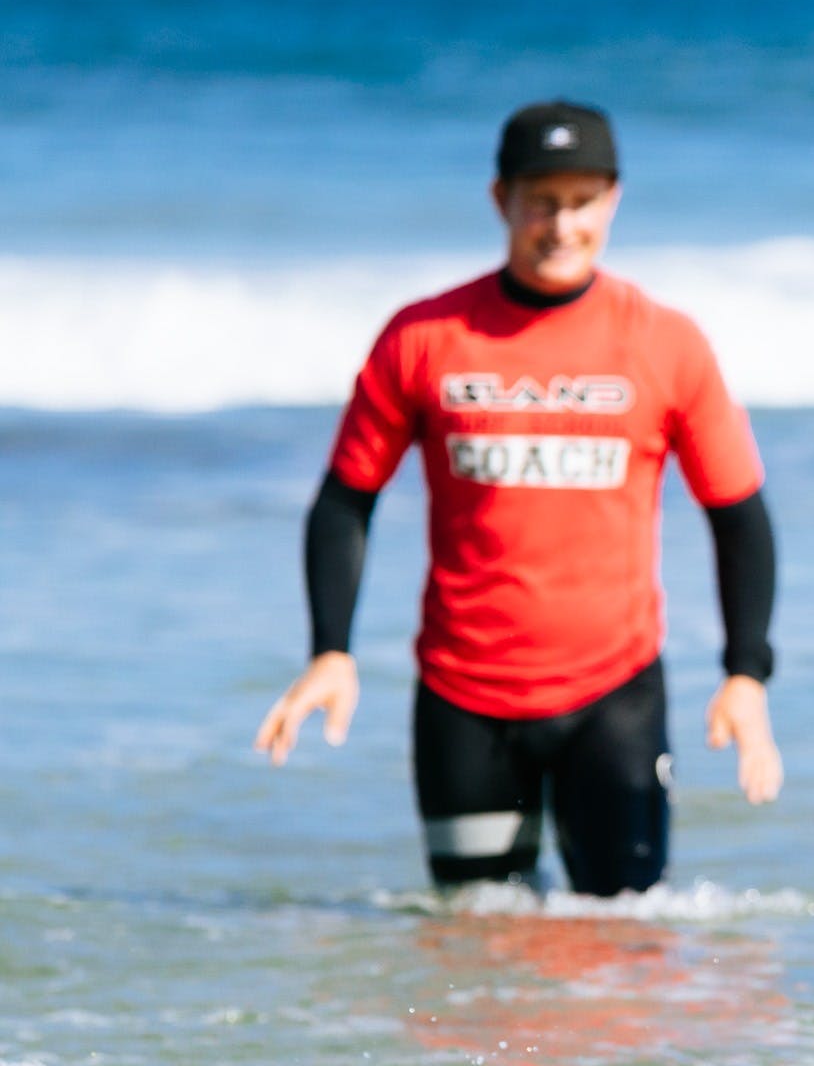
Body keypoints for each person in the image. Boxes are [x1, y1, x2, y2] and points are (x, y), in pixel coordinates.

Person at [254, 101, 782, 895]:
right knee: (473, 948)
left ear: (613, 201)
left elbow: (738, 514)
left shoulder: (667, 344)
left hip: (614, 696)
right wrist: (332, 649)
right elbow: (345, 499)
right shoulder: (424, 337)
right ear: (501, 200)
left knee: (622, 949)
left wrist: (746, 673)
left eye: (581, 202)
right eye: (542, 202)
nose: (562, 225)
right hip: (464, 701)